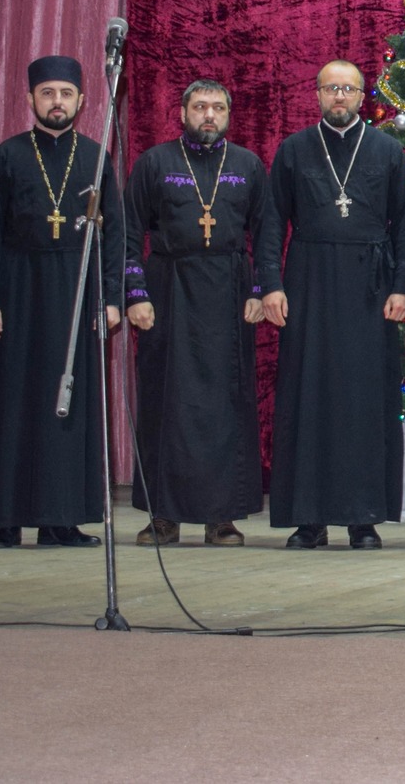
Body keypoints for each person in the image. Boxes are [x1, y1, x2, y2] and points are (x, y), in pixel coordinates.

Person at [0, 55, 124, 550]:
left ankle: (62, 519)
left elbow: (116, 234)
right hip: (17, 289)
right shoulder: (7, 156)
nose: (57, 102)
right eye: (48, 93)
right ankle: (6, 519)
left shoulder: (95, 156)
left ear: (82, 100)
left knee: (68, 405)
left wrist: (111, 298)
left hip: (76, 290)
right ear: (30, 98)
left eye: (66, 94)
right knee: (11, 402)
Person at [263, 61, 405, 551]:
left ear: (361, 97)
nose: (339, 96)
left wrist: (403, 287)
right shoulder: (294, 150)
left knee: (363, 401)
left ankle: (363, 517)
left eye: (348, 89)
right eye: (331, 88)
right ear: (317, 94)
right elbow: (271, 224)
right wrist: (270, 285)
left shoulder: (386, 150)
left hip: (370, 288)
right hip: (307, 283)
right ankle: (308, 518)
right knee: (307, 397)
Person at [123, 80, 281, 547]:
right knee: (165, 402)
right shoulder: (155, 163)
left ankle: (222, 515)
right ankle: (164, 515)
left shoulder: (247, 165)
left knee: (226, 405)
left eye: (217, 108)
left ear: (229, 114)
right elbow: (128, 233)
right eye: (199, 107)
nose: (208, 115)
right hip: (167, 287)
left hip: (230, 291)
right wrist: (135, 294)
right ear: (182, 113)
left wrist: (261, 290)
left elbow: (266, 233)